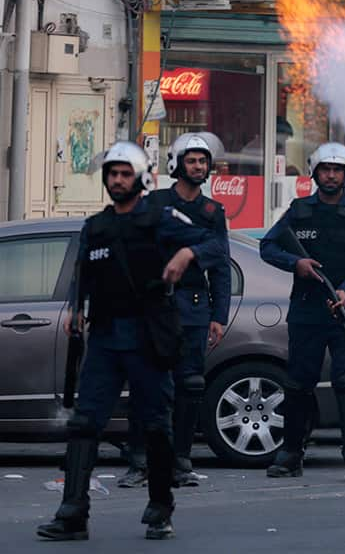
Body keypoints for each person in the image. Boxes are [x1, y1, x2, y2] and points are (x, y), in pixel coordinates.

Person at [37, 142, 225, 541]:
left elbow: (213, 245)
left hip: (147, 338)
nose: (117, 181)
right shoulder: (96, 227)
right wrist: (76, 307)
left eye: (125, 174)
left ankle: (160, 508)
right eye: (112, 174)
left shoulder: (160, 218)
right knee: (85, 423)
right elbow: (82, 274)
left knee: (156, 425)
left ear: (139, 178)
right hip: (104, 339)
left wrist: (187, 253)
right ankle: (73, 514)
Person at [119, 133, 231, 489]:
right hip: (154, 307)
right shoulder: (155, 203)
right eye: (192, 161)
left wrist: (219, 315)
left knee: (190, 385)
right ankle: (140, 462)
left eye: (203, 161)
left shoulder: (213, 212)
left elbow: (221, 263)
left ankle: (181, 461)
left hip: (195, 309)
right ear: (177, 164)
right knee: (147, 385)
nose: (198, 167)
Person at [259, 142, 345, 483]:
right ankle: (291, 454)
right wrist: (297, 263)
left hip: (344, 309)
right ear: (315, 172)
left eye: (337, 170)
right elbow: (268, 247)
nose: (331, 175)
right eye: (325, 169)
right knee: (298, 383)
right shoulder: (298, 211)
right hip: (307, 308)